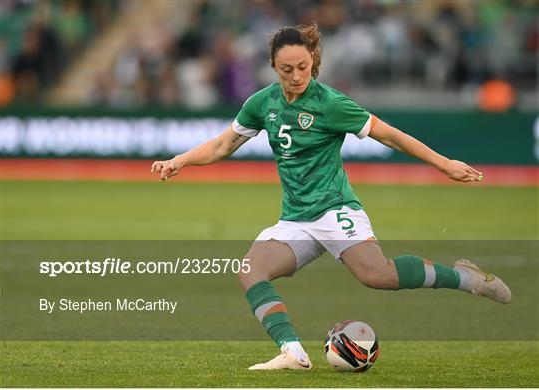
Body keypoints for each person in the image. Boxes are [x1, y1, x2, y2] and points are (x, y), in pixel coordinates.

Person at [151, 23, 512, 371]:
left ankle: (464, 277)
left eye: (303, 67)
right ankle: (293, 353)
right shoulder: (262, 104)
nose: (296, 76)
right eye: (286, 69)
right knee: (250, 270)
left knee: (378, 276)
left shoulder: (330, 103)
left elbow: (389, 135)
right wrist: (179, 160)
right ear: (273, 67)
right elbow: (222, 145)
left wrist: (443, 163)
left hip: (335, 209)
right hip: (295, 219)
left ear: (313, 62)